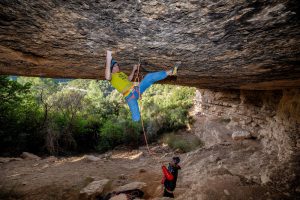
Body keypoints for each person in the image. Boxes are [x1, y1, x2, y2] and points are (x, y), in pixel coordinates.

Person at [105, 50, 179, 121]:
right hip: (130, 97)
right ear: (111, 69)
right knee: (136, 117)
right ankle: (134, 131)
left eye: (117, 65)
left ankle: (171, 72)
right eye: (115, 66)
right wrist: (108, 59)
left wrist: (134, 70)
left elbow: (129, 79)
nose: (117, 67)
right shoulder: (112, 77)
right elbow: (107, 77)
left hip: (136, 90)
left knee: (149, 77)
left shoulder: (121, 73)